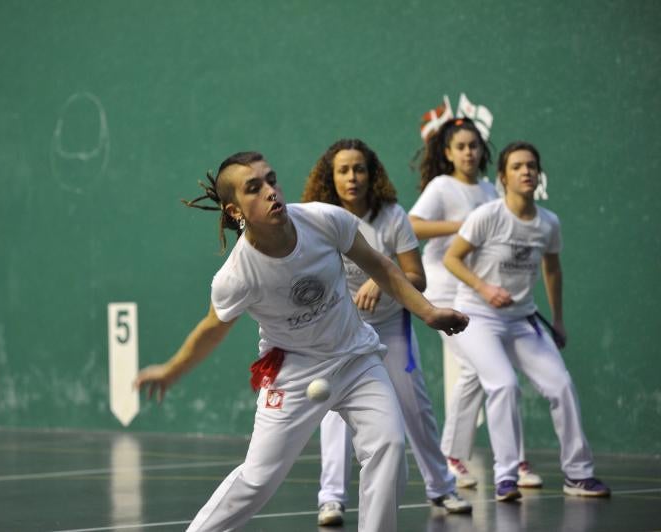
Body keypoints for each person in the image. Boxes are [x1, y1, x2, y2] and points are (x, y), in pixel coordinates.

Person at [134, 151, 469, 532]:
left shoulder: (325, 220)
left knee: (389, 448)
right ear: (235, 210)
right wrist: (171, 371)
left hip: (356, 358)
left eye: (271, 180)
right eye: (254, 188)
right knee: (257, 480)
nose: (270, 191)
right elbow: (212, 329)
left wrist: (428, 312)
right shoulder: (236, 276)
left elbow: (380, 265)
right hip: (292, 373)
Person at [301, 139, 472, 526]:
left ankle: (441, 486)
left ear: (371, 174)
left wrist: (381, 279)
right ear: (330, 177)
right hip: (341, 331)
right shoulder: (319, 218)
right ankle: (331, 498)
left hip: (392, 326)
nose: (352, 177)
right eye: (343, 170)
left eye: (359, 169)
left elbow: (417, 278)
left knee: (414, 406)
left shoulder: (393, 216)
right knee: (333, 408)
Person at [442, 141, 610, 501]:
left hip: (522, 320)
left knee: (561, 386)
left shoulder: (549, 223)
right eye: (517, 166)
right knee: (504, 385)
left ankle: (579, 475)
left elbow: (553, 270)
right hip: (477, 316)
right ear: (503, 177)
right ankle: (506, 477)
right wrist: (484, 288)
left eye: (531, 165)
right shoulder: (487, 216)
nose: (526, 171)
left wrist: (559, 320)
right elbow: (452, 259)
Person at [408, 117, 542, 489]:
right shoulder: (441, 186)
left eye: (474, 146)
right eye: (461, 147)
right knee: (477, 367)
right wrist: (465, 226)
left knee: (487, 371)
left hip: (477, 292)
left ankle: (502, 460)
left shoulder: (489, 190)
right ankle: (457, 458)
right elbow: (412, 225)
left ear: (483, 151)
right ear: (448, 153)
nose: (469, 152)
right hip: (442, 287)